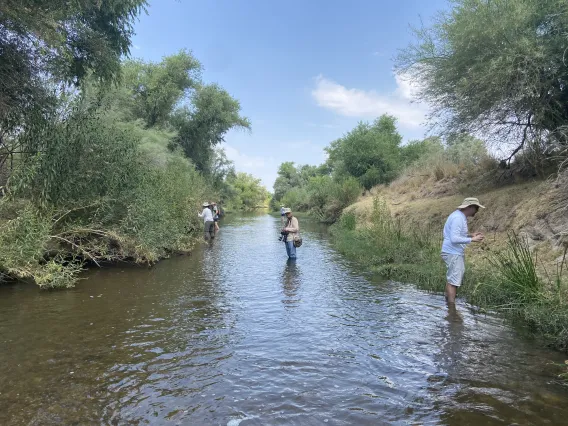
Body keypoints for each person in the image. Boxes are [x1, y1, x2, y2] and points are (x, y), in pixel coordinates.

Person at [441, 197, 485, 304]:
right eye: (476, 208)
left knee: (451, 279)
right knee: (454, 282)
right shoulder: (458, 218)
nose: (477, 211)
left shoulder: (459, 216)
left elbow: (456, 234)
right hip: (453, 252)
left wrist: (470, 234)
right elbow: (454, 238)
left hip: (452, 252)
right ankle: (452, 309)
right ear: (469, 207)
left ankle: (447, 303)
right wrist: (472, 239)